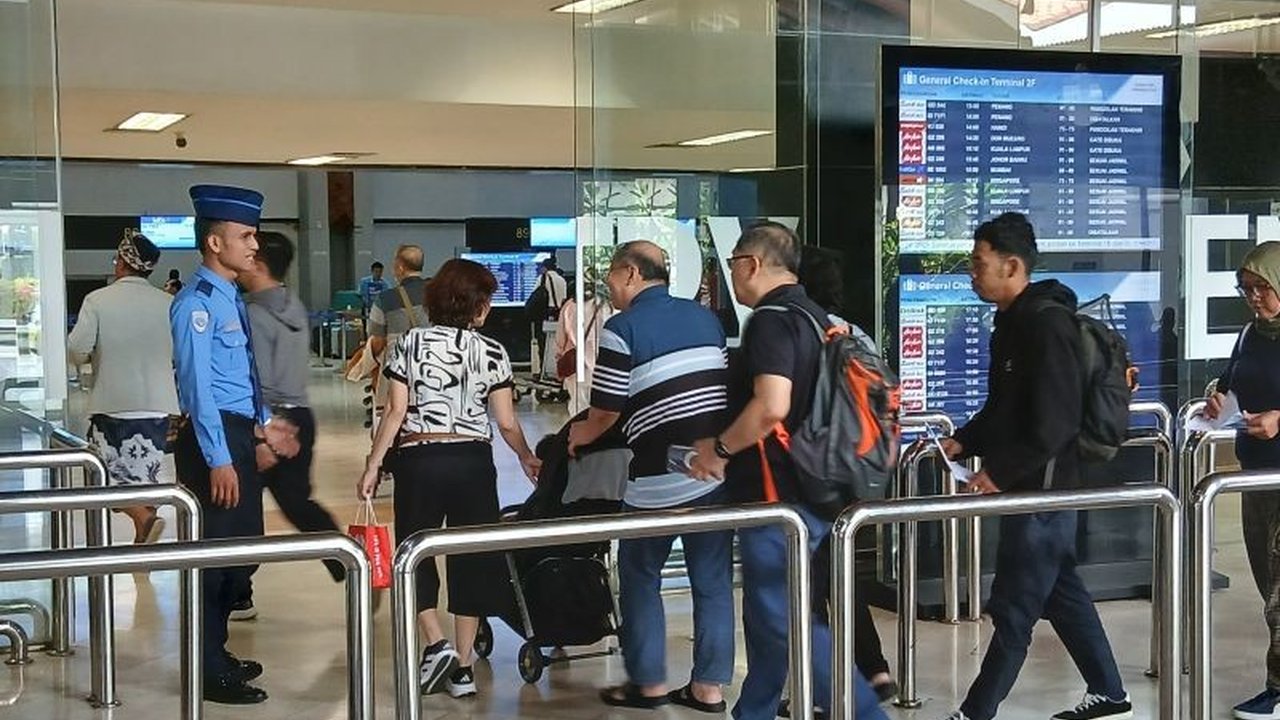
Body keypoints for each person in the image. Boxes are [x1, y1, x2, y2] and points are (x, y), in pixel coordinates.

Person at [686, 222, 888, 720]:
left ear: (751, 264)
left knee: (785, 618)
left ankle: (867, 713)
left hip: (777, 496)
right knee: (770, 616)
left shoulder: (771, 319)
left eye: (731, 261)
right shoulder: (818, 318)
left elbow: (772, 405)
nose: (728, 270)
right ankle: (752, 711)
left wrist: (720, 449)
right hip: (817, 488)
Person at [935, 212, 1131, 720]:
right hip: (1033, 490)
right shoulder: (1013, 325)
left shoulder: (1045, 326)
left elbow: (1056, 422)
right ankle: (1110, 692)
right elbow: (1005, 408)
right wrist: (963, 441)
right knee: (1062, 592)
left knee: (1015, 609)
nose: (972, 274)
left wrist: (996, 474)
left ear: (1013, 265)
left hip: (1044, 491)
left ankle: (974, 712)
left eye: (979, 264)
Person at [357, 258, 540, 699]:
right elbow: (507, 422)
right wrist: (526, 457)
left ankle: (434, 642)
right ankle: (461, 668)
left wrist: (373, 464)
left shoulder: (410, 344)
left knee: (414, 552)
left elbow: (395, 412)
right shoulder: (492, 352)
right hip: (473, 462)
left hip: (419, 459)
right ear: (476, 306)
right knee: (470, 558)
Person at [566, 241, 734, 712]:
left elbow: (606, 411)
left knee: (640, 574)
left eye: (612, 280)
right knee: (712, 579)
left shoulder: (622, 329)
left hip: (657, 475)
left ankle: (650, 683)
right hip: (712, 470)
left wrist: (578, 435)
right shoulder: (706, 319)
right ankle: (709, 688)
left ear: (630, 274)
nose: (610, 289)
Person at [170, 184, 300, 705]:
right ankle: (206, 667)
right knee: (217, 559)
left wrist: (264, 425)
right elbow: (198, 387)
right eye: (245, 236)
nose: (254, 246)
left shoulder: (230, 297)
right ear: (214, 242)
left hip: (237, 432)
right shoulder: (195, 303)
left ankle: (217, 651)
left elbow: (239, 375)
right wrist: (219, 458)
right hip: (214, 440)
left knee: (239, 555)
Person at [792, 245, 898, 706]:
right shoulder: (859, 336)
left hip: (812, 473)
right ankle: (874, 669)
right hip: (857, 472)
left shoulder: (800, 332)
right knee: (841, 573)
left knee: (806, 585)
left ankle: (820, 690)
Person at [230, 230, 344, 621]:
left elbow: (252, 376)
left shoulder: (251, 313)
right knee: (297, 502)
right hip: (301, 416)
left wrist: (261, 433)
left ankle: (237, 593)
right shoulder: (294, 306)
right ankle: (345, 558)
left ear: (259, 264)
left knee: (239, 509)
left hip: (266, 419)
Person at [1205, 241, 1280, 720]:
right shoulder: (1251, 334)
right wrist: (1217, 396)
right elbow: (1230, 379)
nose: (1254, 297)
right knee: (1267, 585)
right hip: (1255, 478)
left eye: (1262, 288)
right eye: (1247, 288)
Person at [67, 229, 178, 544]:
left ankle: (143, 518)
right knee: (148, 475)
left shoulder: (98, 300)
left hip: (112, 402)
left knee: (102, 476)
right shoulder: (167, 303)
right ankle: (143, 538)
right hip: (159, 404)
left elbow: (77, 350)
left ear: (121, 263)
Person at [368, 245, 429, 409]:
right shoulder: (438, 294)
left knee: (394, 412)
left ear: (400, 268)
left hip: (397, 370)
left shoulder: (385, 298)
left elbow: (377, 341)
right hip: (431, 369)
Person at [554, 279, 612, 415]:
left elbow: (560, 340)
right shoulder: (609, 307)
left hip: (577, 369)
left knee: (578, 409)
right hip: (604, 367)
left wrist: (559, 358)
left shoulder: (570, 306)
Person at [531, 257, 567, 370]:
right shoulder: (562, 280)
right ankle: (557, 369)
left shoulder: (542, 279)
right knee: (558, 342)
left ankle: (543, 369)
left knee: (543, 343)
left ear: (544, 268)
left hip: (544, 314)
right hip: (559, 314)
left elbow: (535, 297)